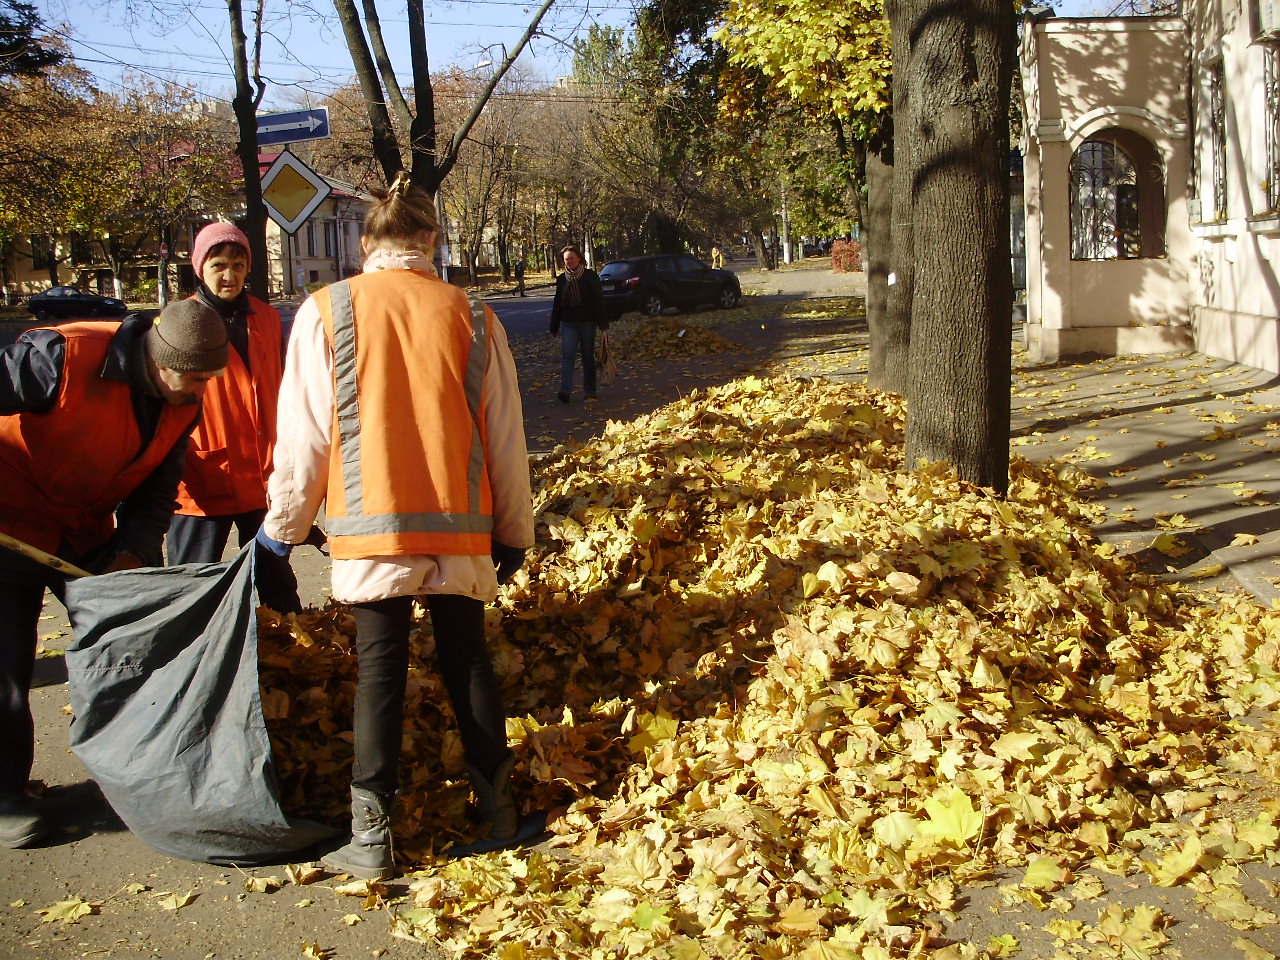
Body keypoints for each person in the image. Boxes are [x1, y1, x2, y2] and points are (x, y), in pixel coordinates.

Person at [257, 171, 535, 880]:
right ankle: (498, 814)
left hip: (371, 532)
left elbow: (305, 439)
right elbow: (504, 434)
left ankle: (372, 838)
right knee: (466, 660)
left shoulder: (328, 310)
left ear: (366, 243)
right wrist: (515, 532)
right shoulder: (473, 314)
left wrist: (280, 532)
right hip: (459, 528)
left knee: (379, 673)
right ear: (431, 241)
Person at [0, 300, 228, 848]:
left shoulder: (183, 400)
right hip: (10, 521)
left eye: (209, 379)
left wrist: (133, 554)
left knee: (136, 649)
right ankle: (4, 794)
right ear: (161, 359)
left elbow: (155, 492)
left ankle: (144, 772)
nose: (201, 391)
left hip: (85, 531)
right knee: (6, 667)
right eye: (194, 378)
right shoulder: (61, 356)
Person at [165, 222, 302, 614]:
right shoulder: (181, 320)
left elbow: (281, 386)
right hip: (203, 475)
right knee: (192, 586)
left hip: (262, 475)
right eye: (219, 265)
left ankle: (292, 654)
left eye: (239, 265)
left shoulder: (266, 317)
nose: (230, 275)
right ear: (200, 268)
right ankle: (192, 662)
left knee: (276, 581)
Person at [548, 244, 607, 404]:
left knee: (587, 356)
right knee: (568, 356)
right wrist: (554, 326)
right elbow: (557, 304)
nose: (569, 262)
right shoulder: (562, 279)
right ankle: (565, 390)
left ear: (579, 258)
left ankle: (590, 391)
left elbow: (598, 301)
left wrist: (603, 324)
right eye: (566, 259)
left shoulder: (589, 276)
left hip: (588, 321)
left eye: (572, 258)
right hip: (569, 323)